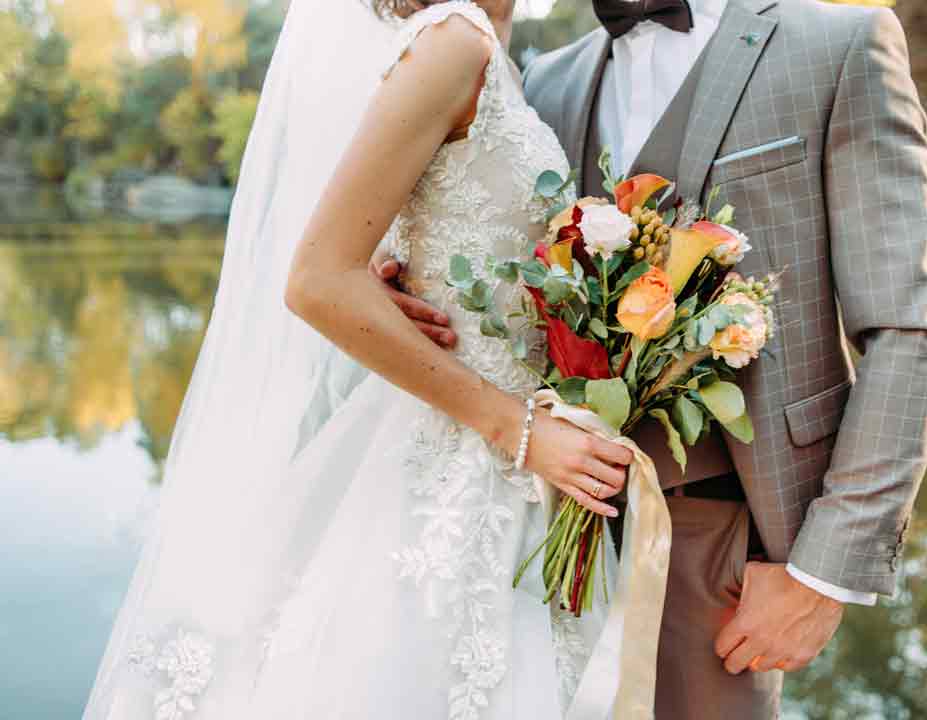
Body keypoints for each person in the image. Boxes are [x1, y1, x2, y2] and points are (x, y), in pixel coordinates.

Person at [376, 0, 927, 716]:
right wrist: (410, 276)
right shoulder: (548, 77)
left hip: (723, 549)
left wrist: (822, 573)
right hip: (533, 534)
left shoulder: (837, 45)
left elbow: (910, 330)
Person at [83, 0, 640, 717]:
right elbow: (315, 279)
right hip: (469, 449)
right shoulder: (452, 41)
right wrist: (518, 431)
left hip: (516, 470)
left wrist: (390, 266)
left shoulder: (490, 52)